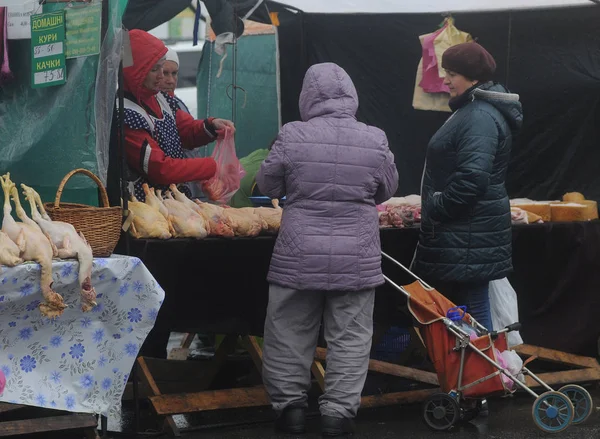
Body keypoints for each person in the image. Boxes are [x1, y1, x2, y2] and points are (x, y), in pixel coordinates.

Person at [256, 63, 398, 436]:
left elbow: (268, 183)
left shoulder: (292, 134)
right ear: (351, 95)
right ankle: (338, 415)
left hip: (298, 250)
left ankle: (290, 411)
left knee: (288, 330)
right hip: (357, 251)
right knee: (350, 335)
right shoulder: (375, 137)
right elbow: (386, 189)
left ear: (307, 97)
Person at [412, 42, 523, 331]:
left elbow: (472, 179)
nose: (445, 80)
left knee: (473, 310)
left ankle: (481, 374)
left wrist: (436, 205)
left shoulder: (479, 116)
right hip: (468, 233)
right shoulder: (474, 110)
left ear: (473, 78)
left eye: (452, 74)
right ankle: (476, 373)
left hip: (469, 233)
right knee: (469, 310)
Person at [122, 30, 234, 203]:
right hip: (149, 208)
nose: (162, 76)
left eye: (162, 68)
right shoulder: (127, 114)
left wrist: (211, 126)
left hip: (175, 201)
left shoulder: (161, 98)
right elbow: (160, 169)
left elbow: (185, 131)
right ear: (137, 72)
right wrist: (213, 167)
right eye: (155, 70)